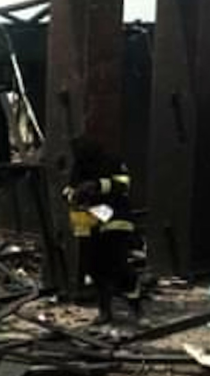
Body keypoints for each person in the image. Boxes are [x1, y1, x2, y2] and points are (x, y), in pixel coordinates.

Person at [64, 136, 142, 325]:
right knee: (94, 267)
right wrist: (74, 195)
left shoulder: (112, 161)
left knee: (117, 264)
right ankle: (105, 311)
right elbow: (68, 190)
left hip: (115, 216)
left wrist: (97, 186)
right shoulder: (79, 167)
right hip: (90, 220)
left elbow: (123, 184)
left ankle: (135, 304)